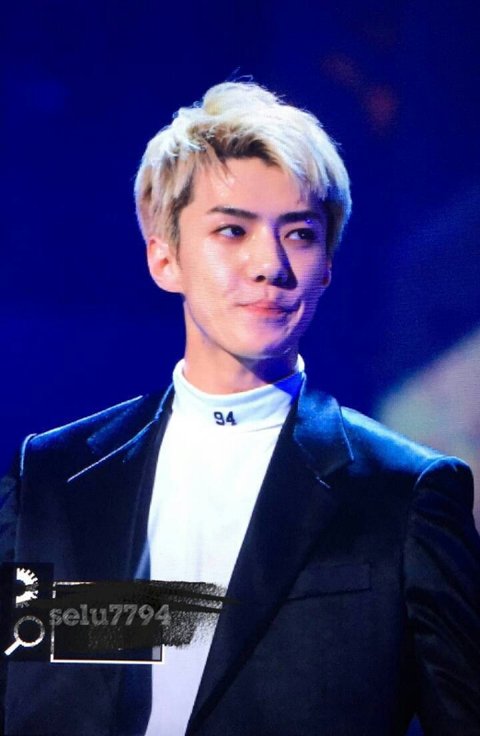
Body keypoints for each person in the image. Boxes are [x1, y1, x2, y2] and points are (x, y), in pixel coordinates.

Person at [1, 81, 479, 736]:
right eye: (233, 230)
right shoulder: (54, 475)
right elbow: (34, 686)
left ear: (327, 265)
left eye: (300, 234)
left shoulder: (402, 492)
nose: (270, 264)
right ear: (165, 258)